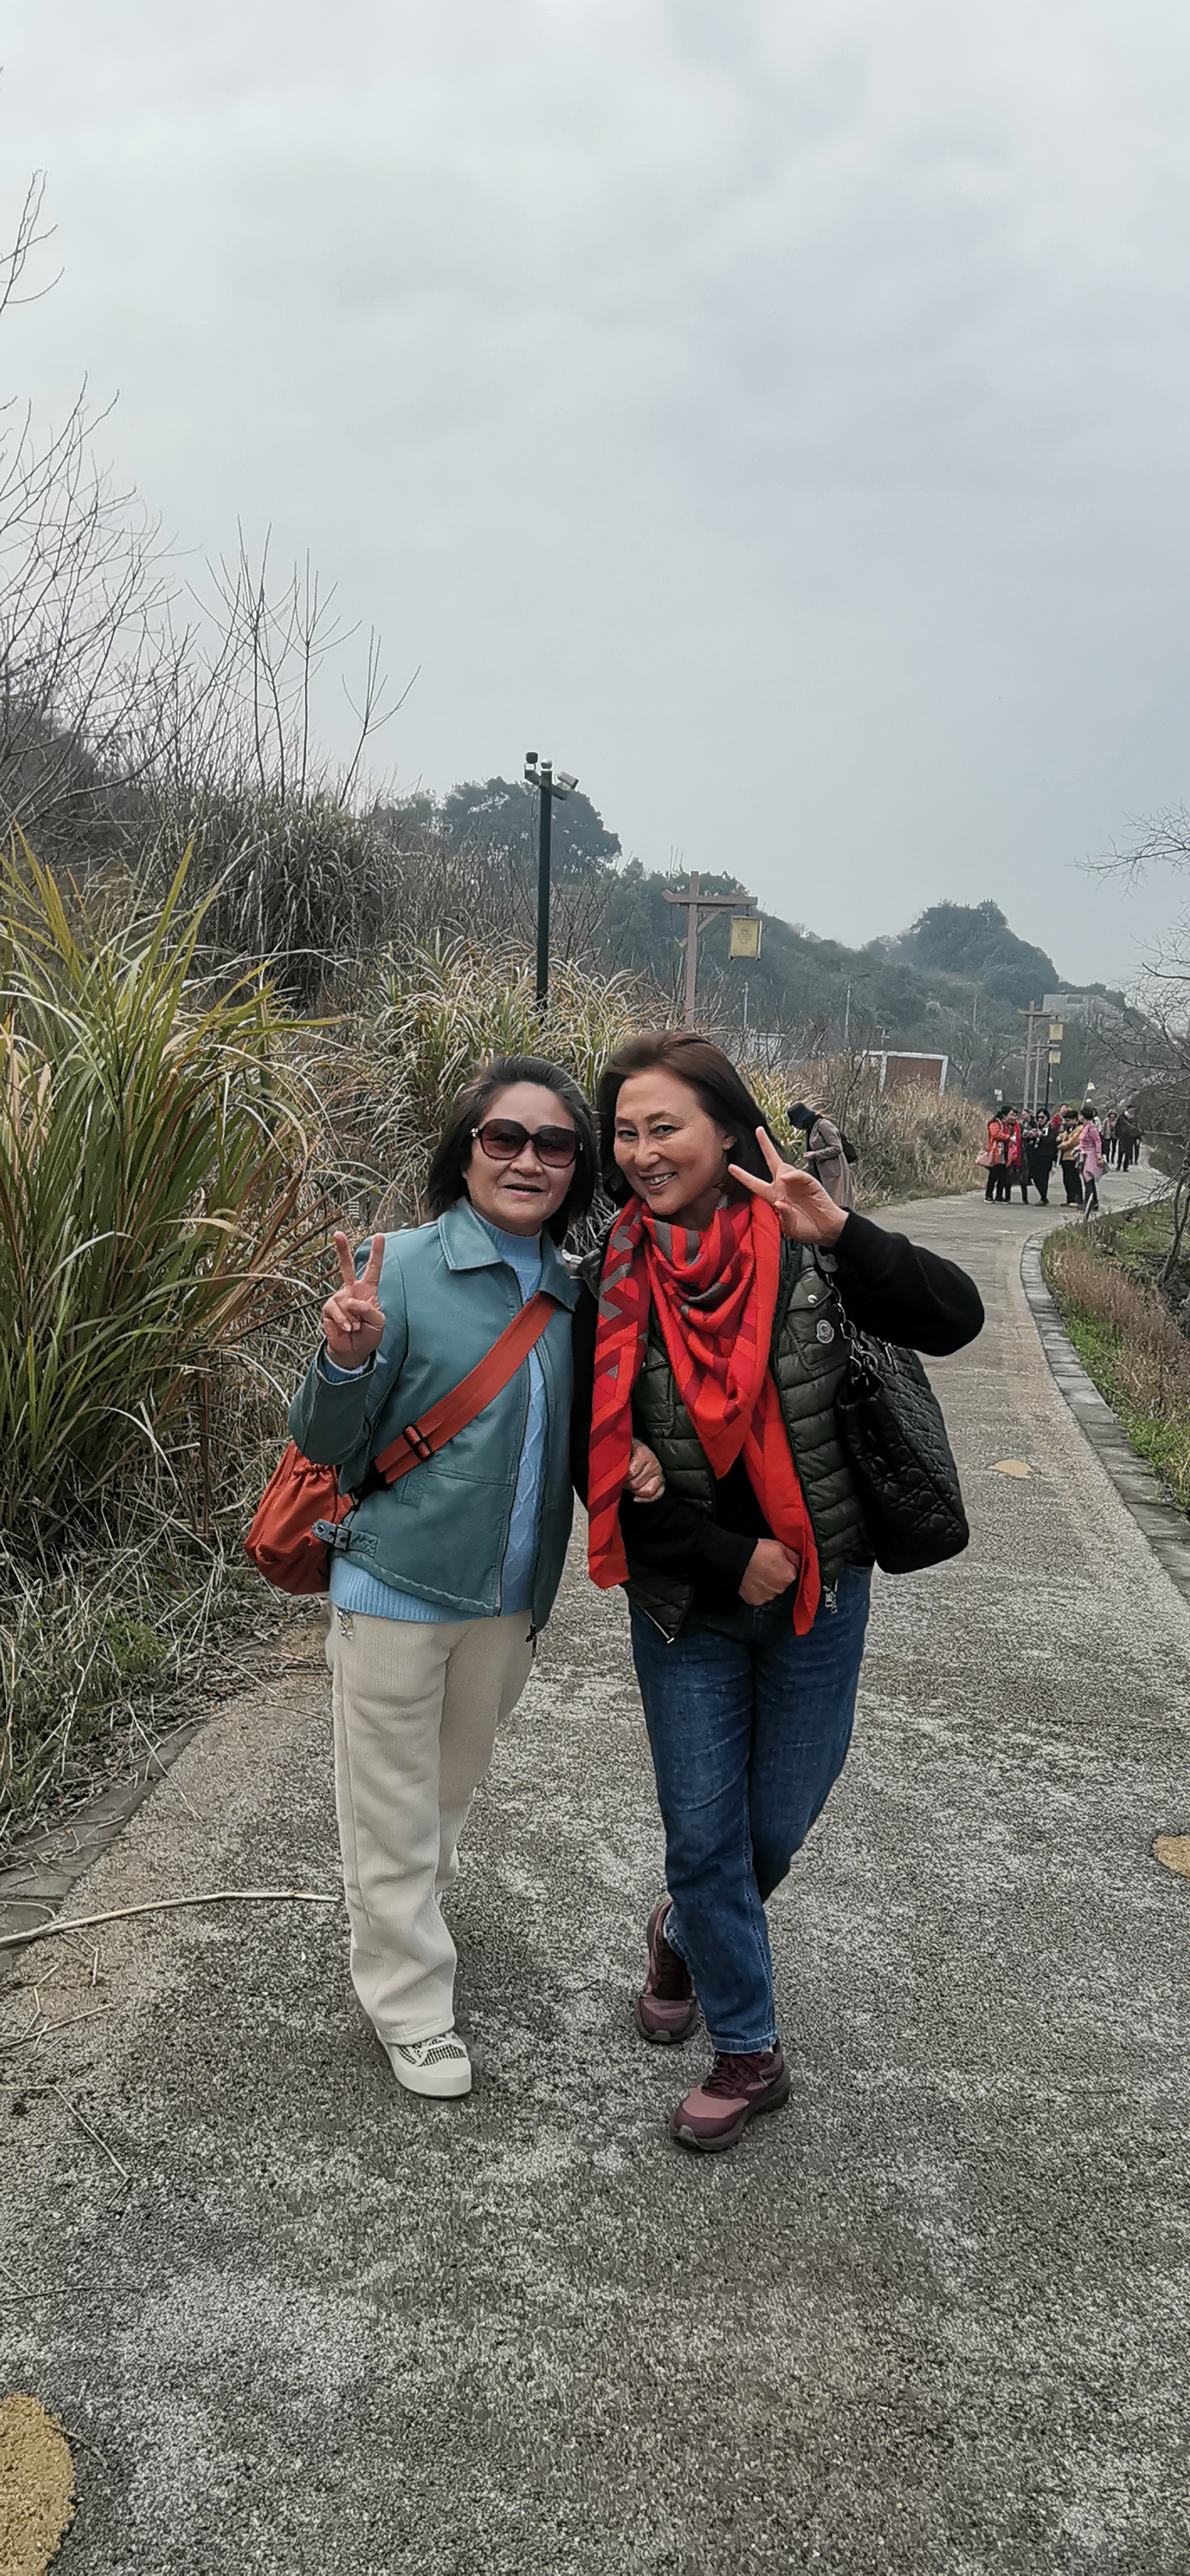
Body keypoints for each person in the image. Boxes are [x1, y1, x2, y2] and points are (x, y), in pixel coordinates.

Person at [572, 1031, 984, 2153]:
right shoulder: (605, 1275)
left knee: (768, 1828)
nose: (643, 1151)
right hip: (683, 1604)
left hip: (821, 1597)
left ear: (725, 1130)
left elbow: (954, 1318)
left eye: (666, 1126)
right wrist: (719, 1552)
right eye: (626, 1132)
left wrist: (843, 1231)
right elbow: (585, 1462)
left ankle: (682, 1934)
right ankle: (748, 2053)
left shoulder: (806, 1242)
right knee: (704, 1836)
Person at [290, 1053, 659, 2103]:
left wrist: (631, 1458)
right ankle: (410, 2004)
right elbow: (325, 1444)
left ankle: (400, 1922)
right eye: (505, 1137)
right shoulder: (396, 1267)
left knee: (443, 1798)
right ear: (466, 1152)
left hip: (506, 1601)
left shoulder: (575, 1291)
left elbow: (580, 1434)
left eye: (555, 1144)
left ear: (577, 1168)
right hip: (394, 1589)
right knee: (391, 1807)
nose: (528, 1160)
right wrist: (344, 1360)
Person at [788, 1101, 856, 1210]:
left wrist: (815, 1154)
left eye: (796, 1124)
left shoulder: (823, 1125)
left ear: (803, 1120)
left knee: (838, 1207)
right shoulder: (809, 1131)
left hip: (834, 1174)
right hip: (821, 1175)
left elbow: (837, 1148)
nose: (796, 1127)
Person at [1026, 1110, 1057, 1205]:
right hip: (1035, 1156)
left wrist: (1040, 1136)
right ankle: (1043, 1196)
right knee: (1034, 1177)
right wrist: (1030, 1136)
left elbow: (1051, 1141)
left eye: (1042, 1117)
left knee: (1043, 1177)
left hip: (1046, 1157)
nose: (1040, 1120)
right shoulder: (1035, 1128)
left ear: (1047, 1117)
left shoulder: (1051, 1129)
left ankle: (1044, 1198)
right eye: (1038, 1117)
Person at [1078, 1102, 1104, 1215]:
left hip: (1091, 1155)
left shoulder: (1092, 1128)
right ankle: (1094, 1202)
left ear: (1083, 1116)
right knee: (1089, 1180)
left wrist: (1099, 1156)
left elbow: (1098, 1142)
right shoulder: (1086, 1127)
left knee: (1088, 1179)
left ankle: (1088, 1203)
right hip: (1084, 1154)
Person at [1057, 1109, 1084, 1205]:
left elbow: (1073, 1141)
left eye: (1069, 1120)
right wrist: (1060, 1138)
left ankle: (1077, 1199)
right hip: (1065, 1156)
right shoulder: (1068, 1129)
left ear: (1075, 1119)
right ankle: (1070, 1199)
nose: (1068, 1122)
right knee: (1067, 1179)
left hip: (1073, 1156)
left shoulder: (1080, 1129)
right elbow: (1063, 1136)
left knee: (1074, 1179)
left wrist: (1060, 1146)